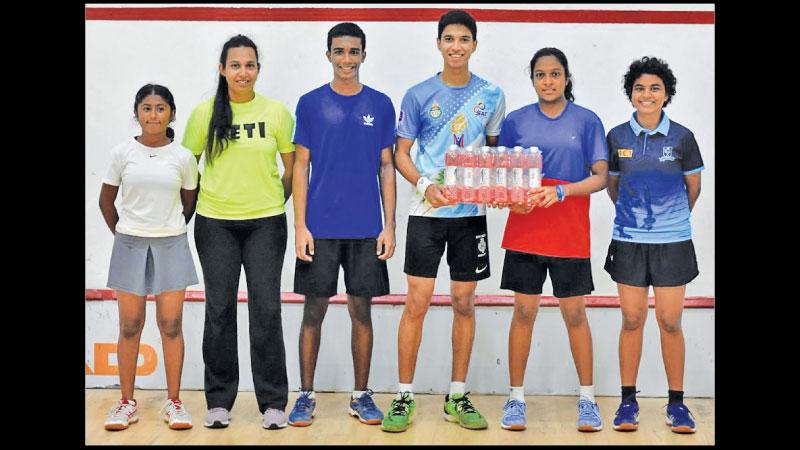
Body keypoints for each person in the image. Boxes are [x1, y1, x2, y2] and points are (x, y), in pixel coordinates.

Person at [381, 9, 505, 433]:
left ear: (474, 44)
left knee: (464, 303)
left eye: (463, 39)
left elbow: (492, 157)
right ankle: (403, 396)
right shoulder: (418, 94)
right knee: (416, 303)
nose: (456, 46)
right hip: (426, 214)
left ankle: (457, 395)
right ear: (438, 43)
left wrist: (495, 190)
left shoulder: (492, 94)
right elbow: (401, 154)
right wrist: (424, 186)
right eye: (448, 39)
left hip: (470, 216)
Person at [182, 34, 296, 430]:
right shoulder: (203, 114)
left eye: (249, 65)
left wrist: (268, 202)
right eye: (235, 65)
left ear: (258, 70)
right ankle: (218, 401)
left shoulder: (277, 112)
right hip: (215, 224)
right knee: (219, 310)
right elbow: (186, 169)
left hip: (266, 223)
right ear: (222, 69)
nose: (242, 72)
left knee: (266, 310)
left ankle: (273, 402)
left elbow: (291, 171)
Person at [287, 22, 396, 427]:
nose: (346, 59)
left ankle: (361, 395)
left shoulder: (381, 104)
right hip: (320, 228)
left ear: (364, 55)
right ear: (328, 55)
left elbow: (387, 167)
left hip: (367, 229)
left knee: (361, 312)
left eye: (354, 52)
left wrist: (390, 226)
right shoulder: (311, 103)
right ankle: (305, 395)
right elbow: (300, 166)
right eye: (339, 51)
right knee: (313, 311)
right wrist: (300, 226)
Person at [495, 48, 608, 432]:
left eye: (555, 73)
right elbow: (502, 176)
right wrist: (513, 198)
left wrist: (562, 193)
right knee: (523, 313)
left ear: (566, 77)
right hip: (526, 231)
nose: (548, 81)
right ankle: (515, 398)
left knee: (575, 314)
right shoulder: (516, 121)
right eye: (541, 75)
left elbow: (600, 177)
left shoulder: (587, 120)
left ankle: (588, 400)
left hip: (570, 232)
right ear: (532, 79)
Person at [605, 56, 703, 434]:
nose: (647, 95)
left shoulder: (683, 137)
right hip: (628, 241)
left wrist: (669, 221)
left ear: (666, 95)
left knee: (669, 321)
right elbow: (614, 188)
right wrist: (635, 219)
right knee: (631, 320)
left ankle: (676, 404)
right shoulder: (617, 136)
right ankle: (627, 402)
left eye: (655, 88)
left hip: (673, 243)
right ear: (631, 94)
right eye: (640, 88)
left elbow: (693, 188)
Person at [99, 84, 199, 431]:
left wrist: (164, 228)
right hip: (129, 245)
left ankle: (174, 402)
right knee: (130, 325)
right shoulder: (121, 153)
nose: (153, 115)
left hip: (171, 244)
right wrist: (127, 234)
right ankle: (126, 403)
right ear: (136, 113)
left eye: (160, 108)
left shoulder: (183, 157)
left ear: (171, 113)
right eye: (146, 108)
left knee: (171, 325)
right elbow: (106, 203)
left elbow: (189, 203)